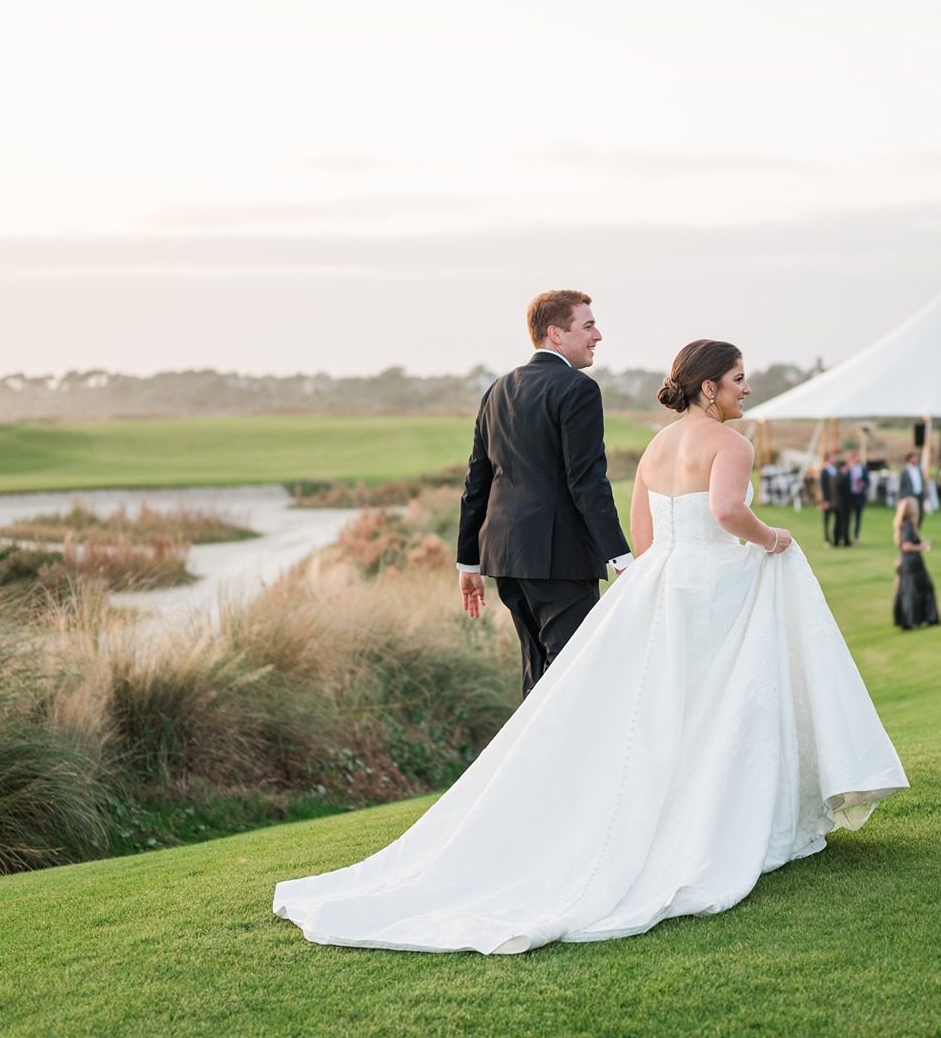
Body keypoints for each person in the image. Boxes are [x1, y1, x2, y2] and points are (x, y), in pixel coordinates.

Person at [274, 340, 908, 955]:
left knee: (664, 707)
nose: (749, 389)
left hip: (661, 581)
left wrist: (663, 568)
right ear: (710, 388)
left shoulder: (658, 445)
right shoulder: (732, 444)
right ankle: (717, 821)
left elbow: (642, 531)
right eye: (740, 379)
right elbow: (725, 512)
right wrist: (770, 539)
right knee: (725, 701)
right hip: (712, 583)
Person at [456, 290, 631, 698]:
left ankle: (529, 760)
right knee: (572, 677)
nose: (598, 335)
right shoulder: (578, 389)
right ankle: (559, 760)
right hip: (559, 558)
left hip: (505, 557)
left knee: (539, 674)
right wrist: (621, 558)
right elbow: (587, 481)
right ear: (555, 333)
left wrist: (469, 561)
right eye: (587, 326)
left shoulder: (498, 389)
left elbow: (476, 481)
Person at [892, 497, 940, 629]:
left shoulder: (905, 525)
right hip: (911, 562)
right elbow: (906, 546)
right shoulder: (907, 526)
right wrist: (922, 546)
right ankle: (917, 618)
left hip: (909, 562)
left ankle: (914, 619)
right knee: (914, 590)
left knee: (911, 590)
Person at [897, 451, 926, 526]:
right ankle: (908, 535)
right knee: (910, 517)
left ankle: (916, 534)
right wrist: (900, 498)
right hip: (909, 496)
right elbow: (901, 485)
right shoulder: (904, 471)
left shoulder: (919, 469)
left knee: (920, 515)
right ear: (909, 459)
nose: (916, 459)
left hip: (919, 495)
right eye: (914, 458)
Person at [818, 453, 841, 546]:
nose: (834, 459)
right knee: (827, 520)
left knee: (837, 519)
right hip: (828, 499)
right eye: (832, 457)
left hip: (836, 499)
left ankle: (836, 539)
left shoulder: (836, 470)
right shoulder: (824, 471)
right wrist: (826, 500)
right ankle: (827, 539)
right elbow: (823, 487)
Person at [848, 456, 870, 544]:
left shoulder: (863, 469)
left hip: (859, 496)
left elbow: (868, 481)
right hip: (849, 496)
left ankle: (856, 537)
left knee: (858, 518)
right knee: (847, 518)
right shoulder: (849, 469)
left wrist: (863, 483)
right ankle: (847, 537)